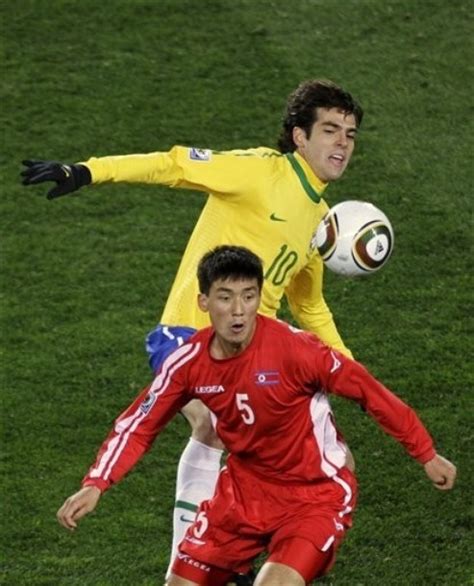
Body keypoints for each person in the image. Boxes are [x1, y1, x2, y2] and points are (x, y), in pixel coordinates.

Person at [23, 79, 363, 575]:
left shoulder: (322, 221)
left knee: (334, 465)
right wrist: (88, 171)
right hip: (188, 335)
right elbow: (174, 164)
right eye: (330, 131)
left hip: (259, 356)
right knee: (211, 426)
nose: (342, 143)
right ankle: (188, 566)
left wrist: (350, 371)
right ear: (298, 137)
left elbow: (309, 306)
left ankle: (273, 563)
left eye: (350, 134)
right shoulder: (256, 172)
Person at [57, 245, 457, 586]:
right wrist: (96, 484)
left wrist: (425, 452)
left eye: (249, 296)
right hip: (243, 494)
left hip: (315, 495)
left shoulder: (297, 350)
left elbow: (371, 393)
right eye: (225, 296)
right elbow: (138, 426)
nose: (238, 311)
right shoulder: (189, 362)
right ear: (203, 302)